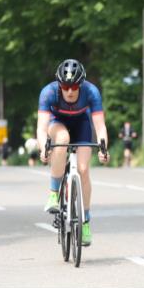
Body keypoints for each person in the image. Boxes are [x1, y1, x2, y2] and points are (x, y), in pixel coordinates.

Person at [36, 59, 110, 246]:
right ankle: (54, 193)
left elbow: (100, 127)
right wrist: (44, 147)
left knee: (84, 170)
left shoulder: (91, 92)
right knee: (62, 139)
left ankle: (85, 222)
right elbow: (41, 127)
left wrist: (103, 148)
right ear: (59, 84)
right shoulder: (48, 92)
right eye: (66, 86)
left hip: (82, 125)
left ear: (81, 84)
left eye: (74, 86)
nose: (70, 91)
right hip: (57, 123)